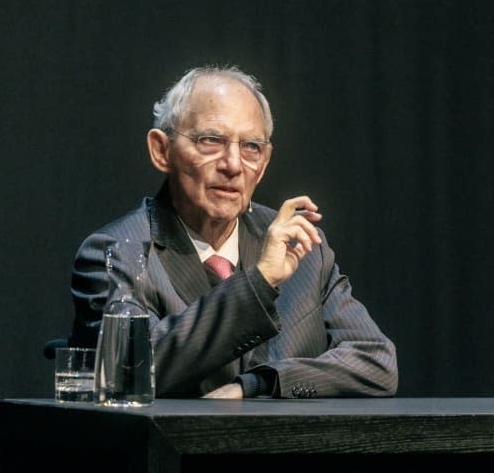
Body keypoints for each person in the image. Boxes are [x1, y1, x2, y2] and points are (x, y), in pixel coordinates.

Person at [68, 65, 398, 399]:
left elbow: (376, 362)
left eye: (251, 147)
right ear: (161, 150)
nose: (233, 164)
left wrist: (260, 384)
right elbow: (130, 371)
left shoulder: (304, 246)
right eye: (211, 140)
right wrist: (261, 281)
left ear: (265, 162)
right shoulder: (117, 251)